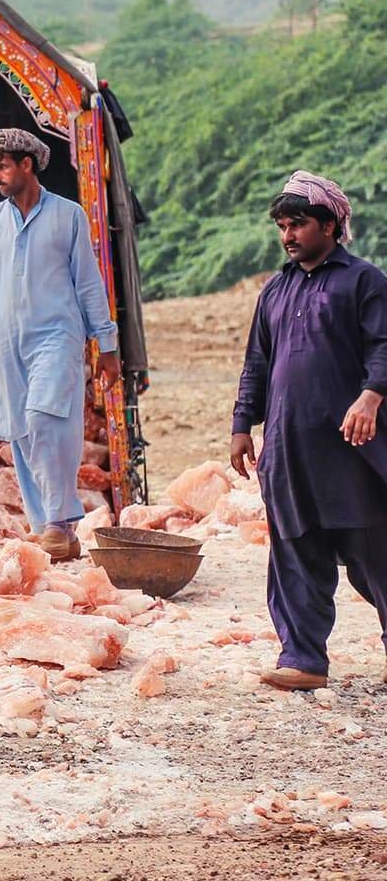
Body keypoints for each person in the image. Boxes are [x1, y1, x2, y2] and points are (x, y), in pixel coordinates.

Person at [230, 171, 387, 691]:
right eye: (281, 225)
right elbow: (257, 363)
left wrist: (370, 395)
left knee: (373, 554)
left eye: (297, 224)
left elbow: (384, 345)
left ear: (329, 224)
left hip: (350, 449)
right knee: (295, 551)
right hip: (286, 447)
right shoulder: (275, 290)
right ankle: (303, 659)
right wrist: (241, 426)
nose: (288, 235)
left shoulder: (364, 281)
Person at [0, 128, 120, 561]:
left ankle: (57, 521)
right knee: (20, 431)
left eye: (2, 166)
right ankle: (53, 532)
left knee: (44, 419)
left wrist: (106, 345)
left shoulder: (67, 215)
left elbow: (88, 284)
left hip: (58, 338)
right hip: (9, 346)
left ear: (26, 165)